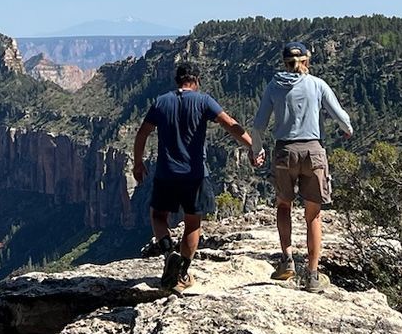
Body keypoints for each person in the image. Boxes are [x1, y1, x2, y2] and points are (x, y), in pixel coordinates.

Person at [132, 61, 256, 291]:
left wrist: (138, 163)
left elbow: (142, 134)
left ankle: (169, 253)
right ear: (196, 80)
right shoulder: (203, 101)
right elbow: (230, 124)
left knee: (158, 216)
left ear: (177, 80)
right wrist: (253, 146)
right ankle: (183, 272)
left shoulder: (161, 102)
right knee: (192, 223)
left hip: (166, 173)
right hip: (195, 174)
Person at [250, 42, 353, 291]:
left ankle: (287, 262)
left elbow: (258, 125)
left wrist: (257, 150)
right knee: (313, 215)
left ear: (284, 62)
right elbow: (340, 116)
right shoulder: (317, 85)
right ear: (306, 61)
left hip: (285, 151)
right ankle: (313, 274)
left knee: (284, 205)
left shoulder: (274, 86)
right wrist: (347, 130)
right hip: (313, 152)